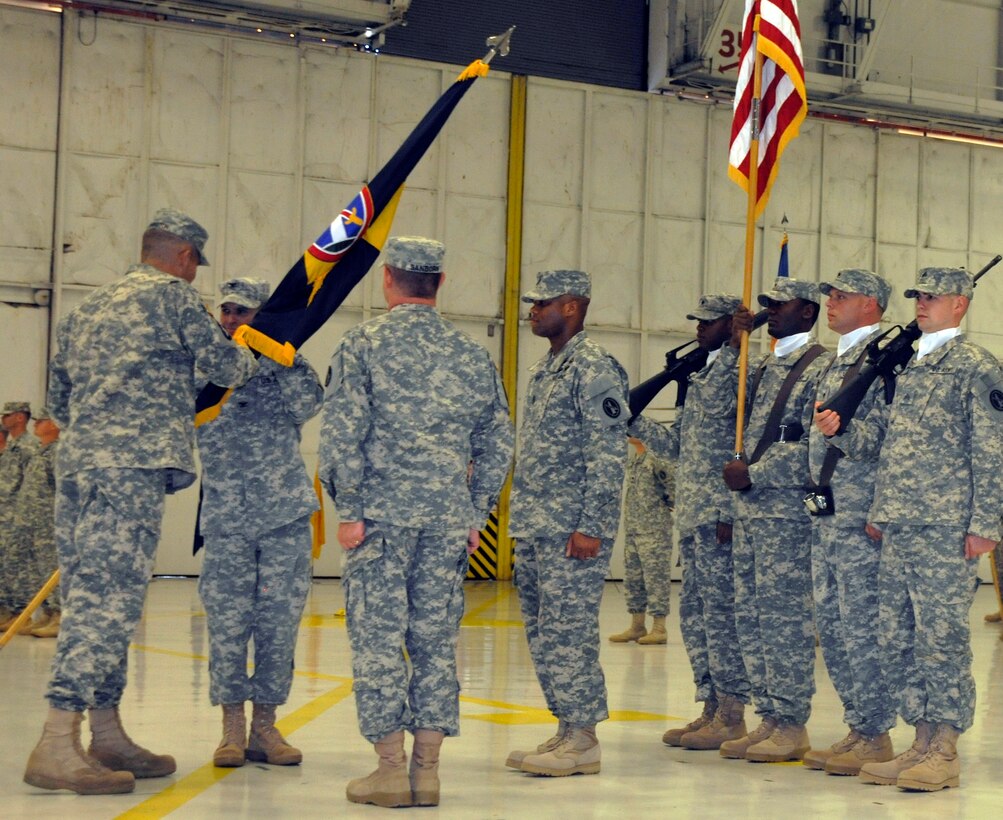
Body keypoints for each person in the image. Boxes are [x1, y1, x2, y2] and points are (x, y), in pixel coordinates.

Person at [23, 208, 257, 796]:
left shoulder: (87, 310)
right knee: (109, 603)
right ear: (183, 257)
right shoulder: (175, 300)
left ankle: (105, 733)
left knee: (91, 596)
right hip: (129, 469)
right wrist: (255, 351)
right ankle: (55, 742)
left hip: (78, 467)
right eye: (194, 265)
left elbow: (60, 403)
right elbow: (226, 364)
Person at [319, 237, 514, 808]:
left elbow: (341, 436)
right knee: (434, 644)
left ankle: (388, 772)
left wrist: (349, 510)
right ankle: (427, 773)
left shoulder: (362, 345)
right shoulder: (471, 354)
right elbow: (498, 441)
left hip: (379, 521)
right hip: (448, 524)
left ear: (388, 279)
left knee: (379, 643)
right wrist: (475, 512)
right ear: (440, 282)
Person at [850, 267, 1003, 791]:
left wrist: (986, 524)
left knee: (941, 638)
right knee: (899, 635)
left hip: (944, 526)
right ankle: (919, 739)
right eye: (918, 296)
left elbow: (992, 450)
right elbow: (892, 446)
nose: (922, 304)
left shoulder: (975, 367)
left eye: (933, 297)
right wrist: (878, 503)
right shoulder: (912, 366)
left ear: (959, 305)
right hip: (901, 523)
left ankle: (945, 749)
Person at [505, 269, 629, 777]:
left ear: (572, 307)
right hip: (536, 524)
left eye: (543, 303)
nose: (534, 311)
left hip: (570, 528)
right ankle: (566, 727)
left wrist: (592, 525)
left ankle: (583, 739)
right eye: (533, 303)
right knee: (542, 632)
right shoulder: (547, 368)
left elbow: (607, 453)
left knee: (568, 630)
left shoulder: (593, 367)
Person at [196, 277, 323, 769]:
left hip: (283, 516)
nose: (232, 319)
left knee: (277, 624)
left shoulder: (288, 362)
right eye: (226, 311)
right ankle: (230, 728)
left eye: (243, 312)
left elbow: (310, 404)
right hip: (226, 517)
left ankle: (265, 726)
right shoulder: (205, 368)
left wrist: (275, 353)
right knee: (228, 624)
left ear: (263, 317)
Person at [718, 277, 831, 762]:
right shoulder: (761, 363)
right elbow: (721, 409)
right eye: (766, 305)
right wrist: (732, 344)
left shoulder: (819, 367)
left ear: (807, 312)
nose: (770, 313)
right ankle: (768, 716)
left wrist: (755, 474)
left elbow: (810, 443)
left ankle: (791, 722)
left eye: (779, 306)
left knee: (784, 618)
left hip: (784, 511)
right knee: (752, 616)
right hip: (749, 510)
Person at [805, 269, 897, 775]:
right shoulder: (834, 362)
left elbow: (884, 444)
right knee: (833, 626)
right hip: (826, 512)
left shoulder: (886, 362)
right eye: (830, 296)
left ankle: (876, 731)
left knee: (861, 625)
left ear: (871, 305)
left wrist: (840, 435)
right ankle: (858, 725)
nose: (832, 304)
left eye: (842, 297)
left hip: (859, 514)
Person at [653, 294, 753, 751]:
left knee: (721, 614)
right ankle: (710, 705)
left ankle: (731, 712)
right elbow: (678, 445)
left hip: (719, 513)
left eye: (709, 322)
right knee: (695, 614)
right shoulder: (701, 374)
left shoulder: (742, 369)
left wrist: (733, 512)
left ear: (731, 326)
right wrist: (631, 421)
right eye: (697, 321)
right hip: (692, 514)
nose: (698, 328)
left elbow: (746, 444)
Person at [607, 430, 674, 645]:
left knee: (655, 579)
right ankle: (637, 625)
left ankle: (659, 628)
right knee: (634, 579)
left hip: (654, 530)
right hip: (634, 528)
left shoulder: (656, 458)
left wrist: (666, 505)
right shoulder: (635, 460)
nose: (628, 432)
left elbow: (672, 486)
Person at [13, 407, 62, 638]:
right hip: (33, 522)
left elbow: (61, 490)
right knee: (38, 570)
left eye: (41, 421)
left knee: (52, 567)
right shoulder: (41, 452)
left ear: (54, 424)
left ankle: (61, 616)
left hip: (48, 523)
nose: (35, 425)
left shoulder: (57, 453)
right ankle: (46, 613)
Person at [0, 401, 38, 632]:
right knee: (5, 565)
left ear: (20, 418)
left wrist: (24, 515)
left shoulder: (29, 447)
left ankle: (22, 613)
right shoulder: (11, 448)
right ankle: (8, 611)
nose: (3, 418)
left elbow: (30, 485)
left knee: (19, 565)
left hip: (18, 517)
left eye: (8, 414)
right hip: (5, 516)